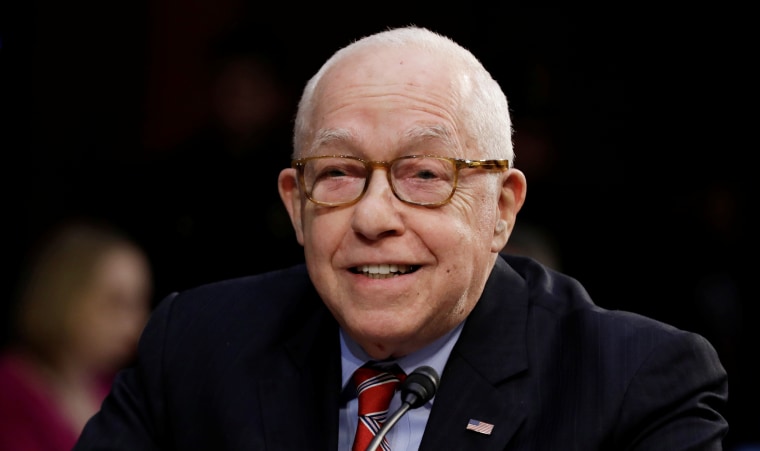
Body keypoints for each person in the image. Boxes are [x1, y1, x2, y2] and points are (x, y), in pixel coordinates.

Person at [73, 26, 728, 450]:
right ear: (296, 207)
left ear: (502, 208)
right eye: (337, 173)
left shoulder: (635, 384)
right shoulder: (194, 345)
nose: (373, 216)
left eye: (423, 173)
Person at [0, 218, 153, 451]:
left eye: (139, 304)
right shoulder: (9, 388)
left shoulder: (116, 390)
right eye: (116, 303)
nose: (135, 324)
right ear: (65, 295)